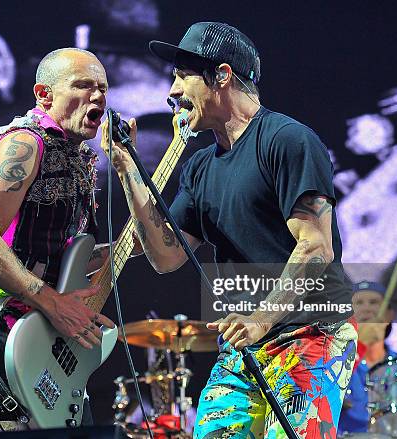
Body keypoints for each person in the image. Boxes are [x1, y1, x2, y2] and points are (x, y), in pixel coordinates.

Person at [102, 22, 358, 438]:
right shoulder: (201, 168)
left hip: (310, 333)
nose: (172, 91)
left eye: (182, 74)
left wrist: (260, 319)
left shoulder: (288, 140)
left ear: (221, 75)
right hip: (244, 345)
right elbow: (167, 256)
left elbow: (315, 248)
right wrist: (127, 168)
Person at [0, 48, 117, 434]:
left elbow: (64, 256)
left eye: (103, 88)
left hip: (47, 339)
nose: (98, 96)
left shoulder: (80, 157)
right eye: (83, 85)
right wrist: (52, 302)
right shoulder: (24, 145)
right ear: (44, 95)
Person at [338, 281, 396, 434]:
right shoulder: (335, 362)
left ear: (389, 314)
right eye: (358, 303)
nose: (366, 308)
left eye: (374, 302)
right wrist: (361, 344)